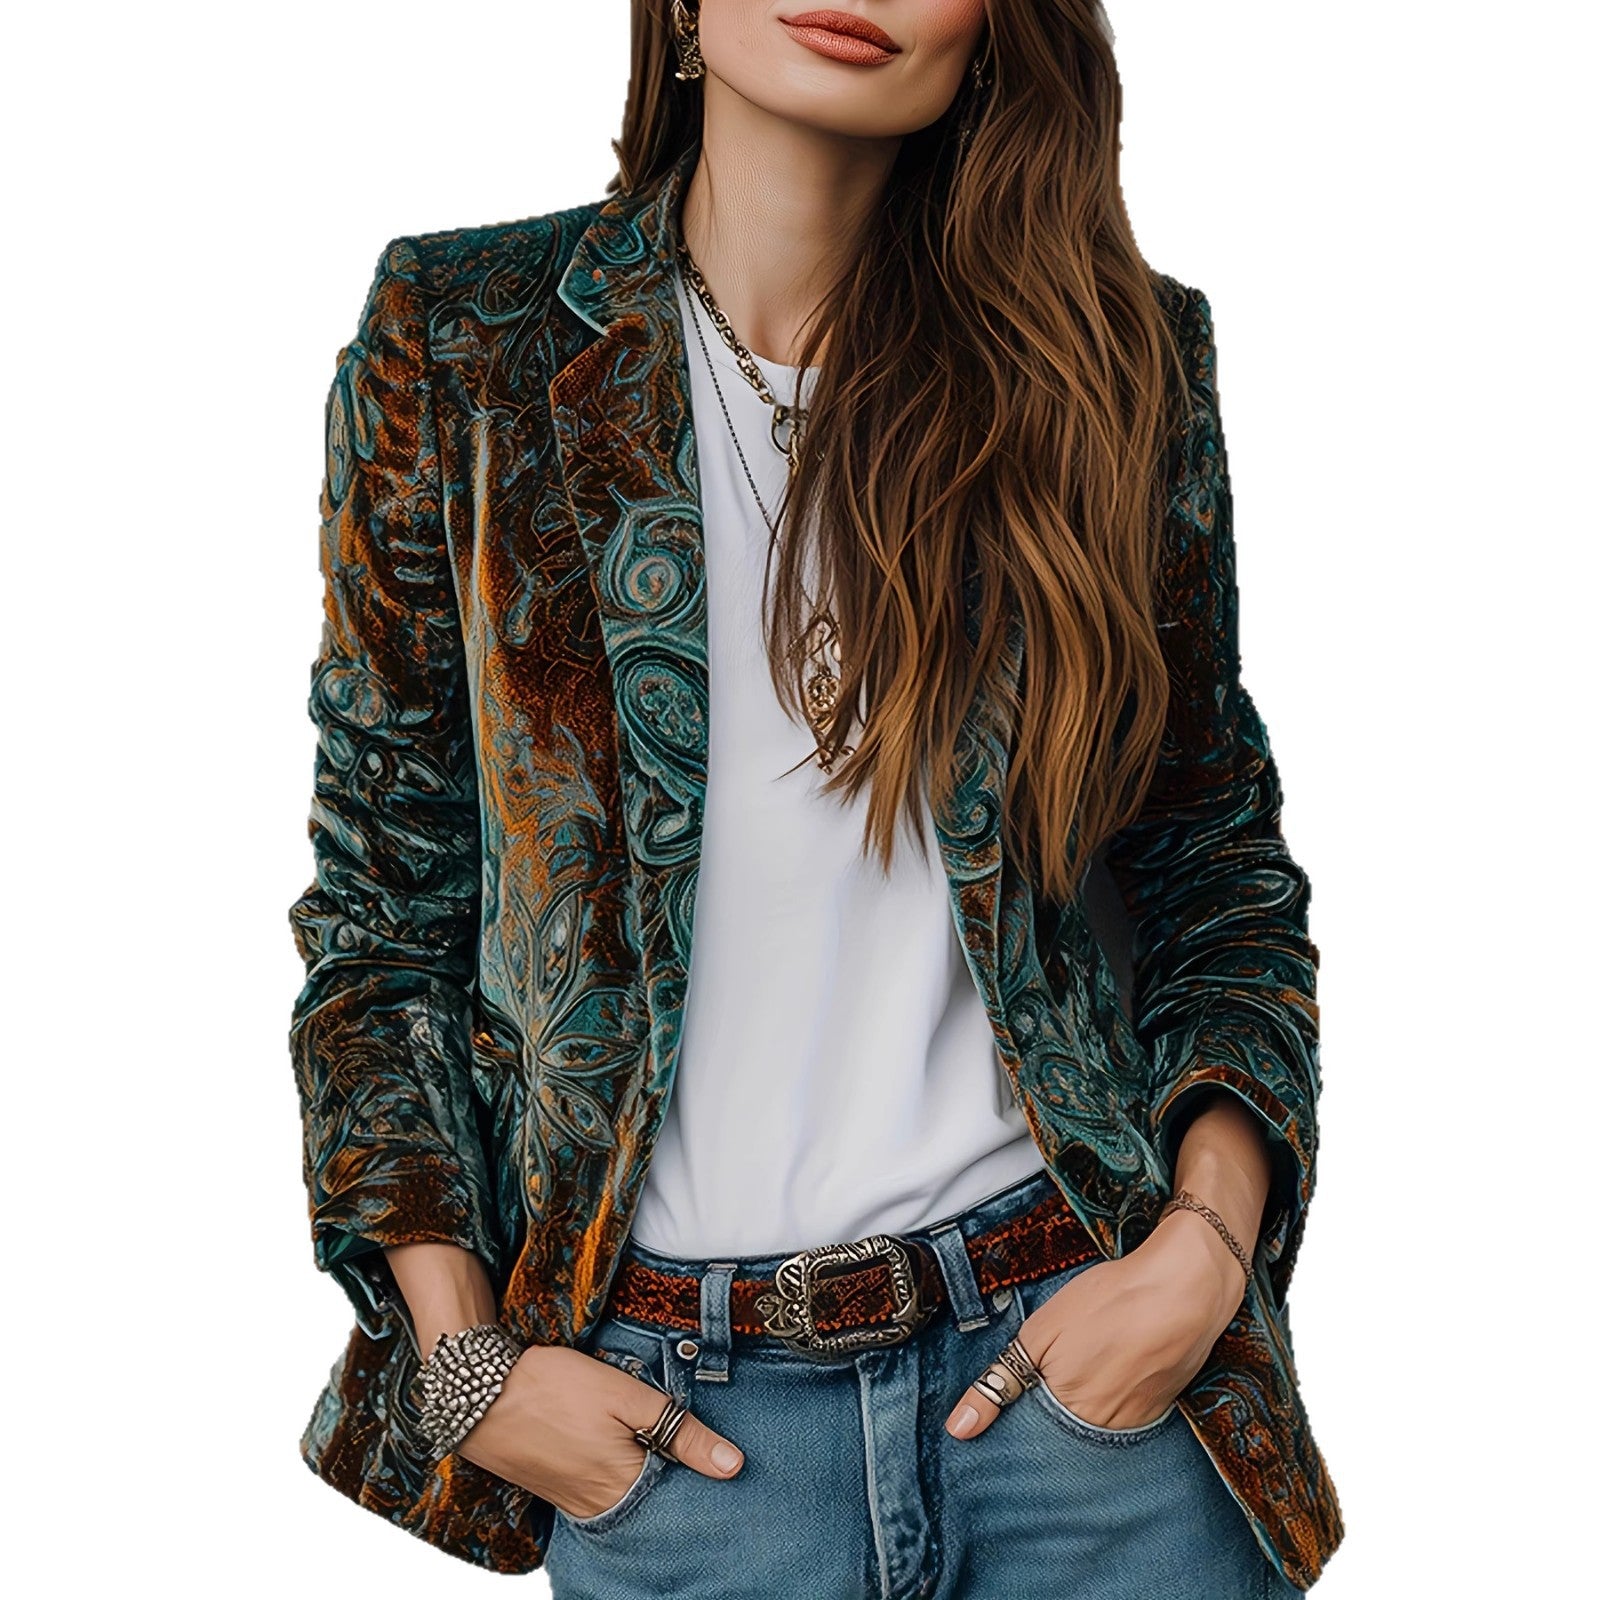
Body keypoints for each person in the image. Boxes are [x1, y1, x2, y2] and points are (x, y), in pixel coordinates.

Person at [286, 2, 1343, 1595]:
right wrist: (467, 1366)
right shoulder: (466, 344)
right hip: (677, 1442)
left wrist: (1202, 1249)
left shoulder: (1109, 361)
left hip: (1081, 1400)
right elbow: (383, 915)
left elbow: (1214, 867)